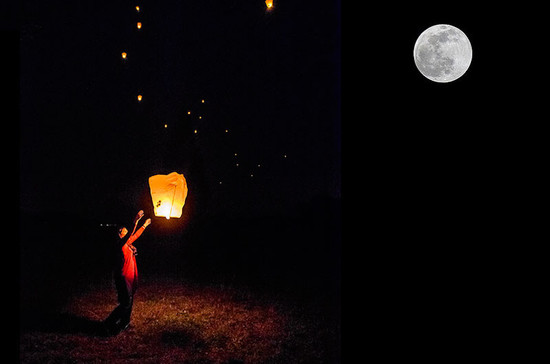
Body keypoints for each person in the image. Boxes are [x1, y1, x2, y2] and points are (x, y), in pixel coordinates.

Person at [104, 210, 151, 335]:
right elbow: (132, 233)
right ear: (120, 234)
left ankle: (125, 322)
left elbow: (134, 236)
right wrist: (136, 220)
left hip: (129, 276)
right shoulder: (120, 244)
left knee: (129, 301)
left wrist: (144, 226)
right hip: (123, 277)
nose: (127, 234)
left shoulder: (128, 244)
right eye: (124, 232)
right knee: (125, 303)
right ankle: (109, 323)